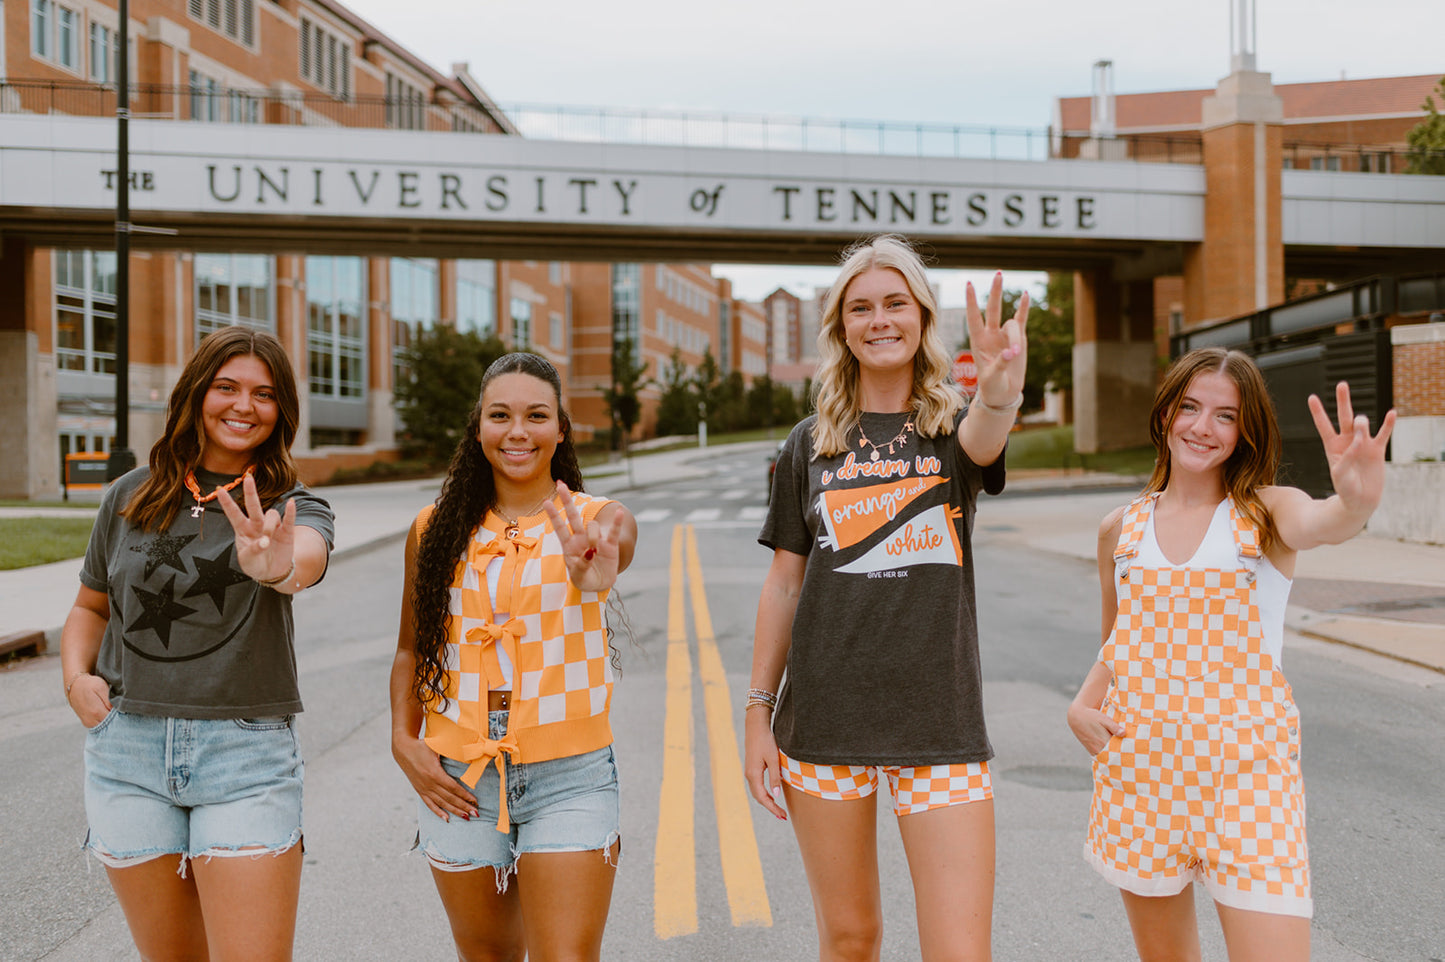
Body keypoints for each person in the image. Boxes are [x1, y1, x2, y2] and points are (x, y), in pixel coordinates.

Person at [744, 234, 1025, 962]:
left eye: (895, 303)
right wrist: (756, 713)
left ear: (923, 317)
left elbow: (990, 431)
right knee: (849, 940)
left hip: (940, 730)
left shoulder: (951, 432)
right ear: (841, 327)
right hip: (824, 731)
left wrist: (998, 387)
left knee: (959, 952)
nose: (879, 320)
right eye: (860, 307)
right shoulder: (809, 445)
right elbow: (783, 584)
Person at [1067, 347, 1396, 962]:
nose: (1201, 426)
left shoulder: (1267, 512)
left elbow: (1326, 520)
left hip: (1248, 784)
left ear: (1246, 430)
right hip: (1141, 774)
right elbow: (1122, 639)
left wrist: (1355, 502)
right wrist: (1080, 706)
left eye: (1225, 415)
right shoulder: (1120, 528)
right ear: (1165, 413)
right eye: (1189, 407)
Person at [60, 326, 335, 962]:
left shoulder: (292, 507)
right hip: (126, 752)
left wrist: (273, 564)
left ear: (282, 411)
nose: (244, 405)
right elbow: (89, 606)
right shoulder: (130, 495)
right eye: (227, 387)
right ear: (196, 394)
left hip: (243, 756)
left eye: (264, 394)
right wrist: (76, 680)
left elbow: (305, 561)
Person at [390, 351, 638, 962]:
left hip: (570, 776)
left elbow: (617, 544)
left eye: (537, 415)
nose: (518, 431)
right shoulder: (433, 528)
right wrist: (405, 740)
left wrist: (600, 565)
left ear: (560, 429)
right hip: (460, 779)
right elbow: (409, 649)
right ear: (479, 428)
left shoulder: (595, 520)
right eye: (501, 415)